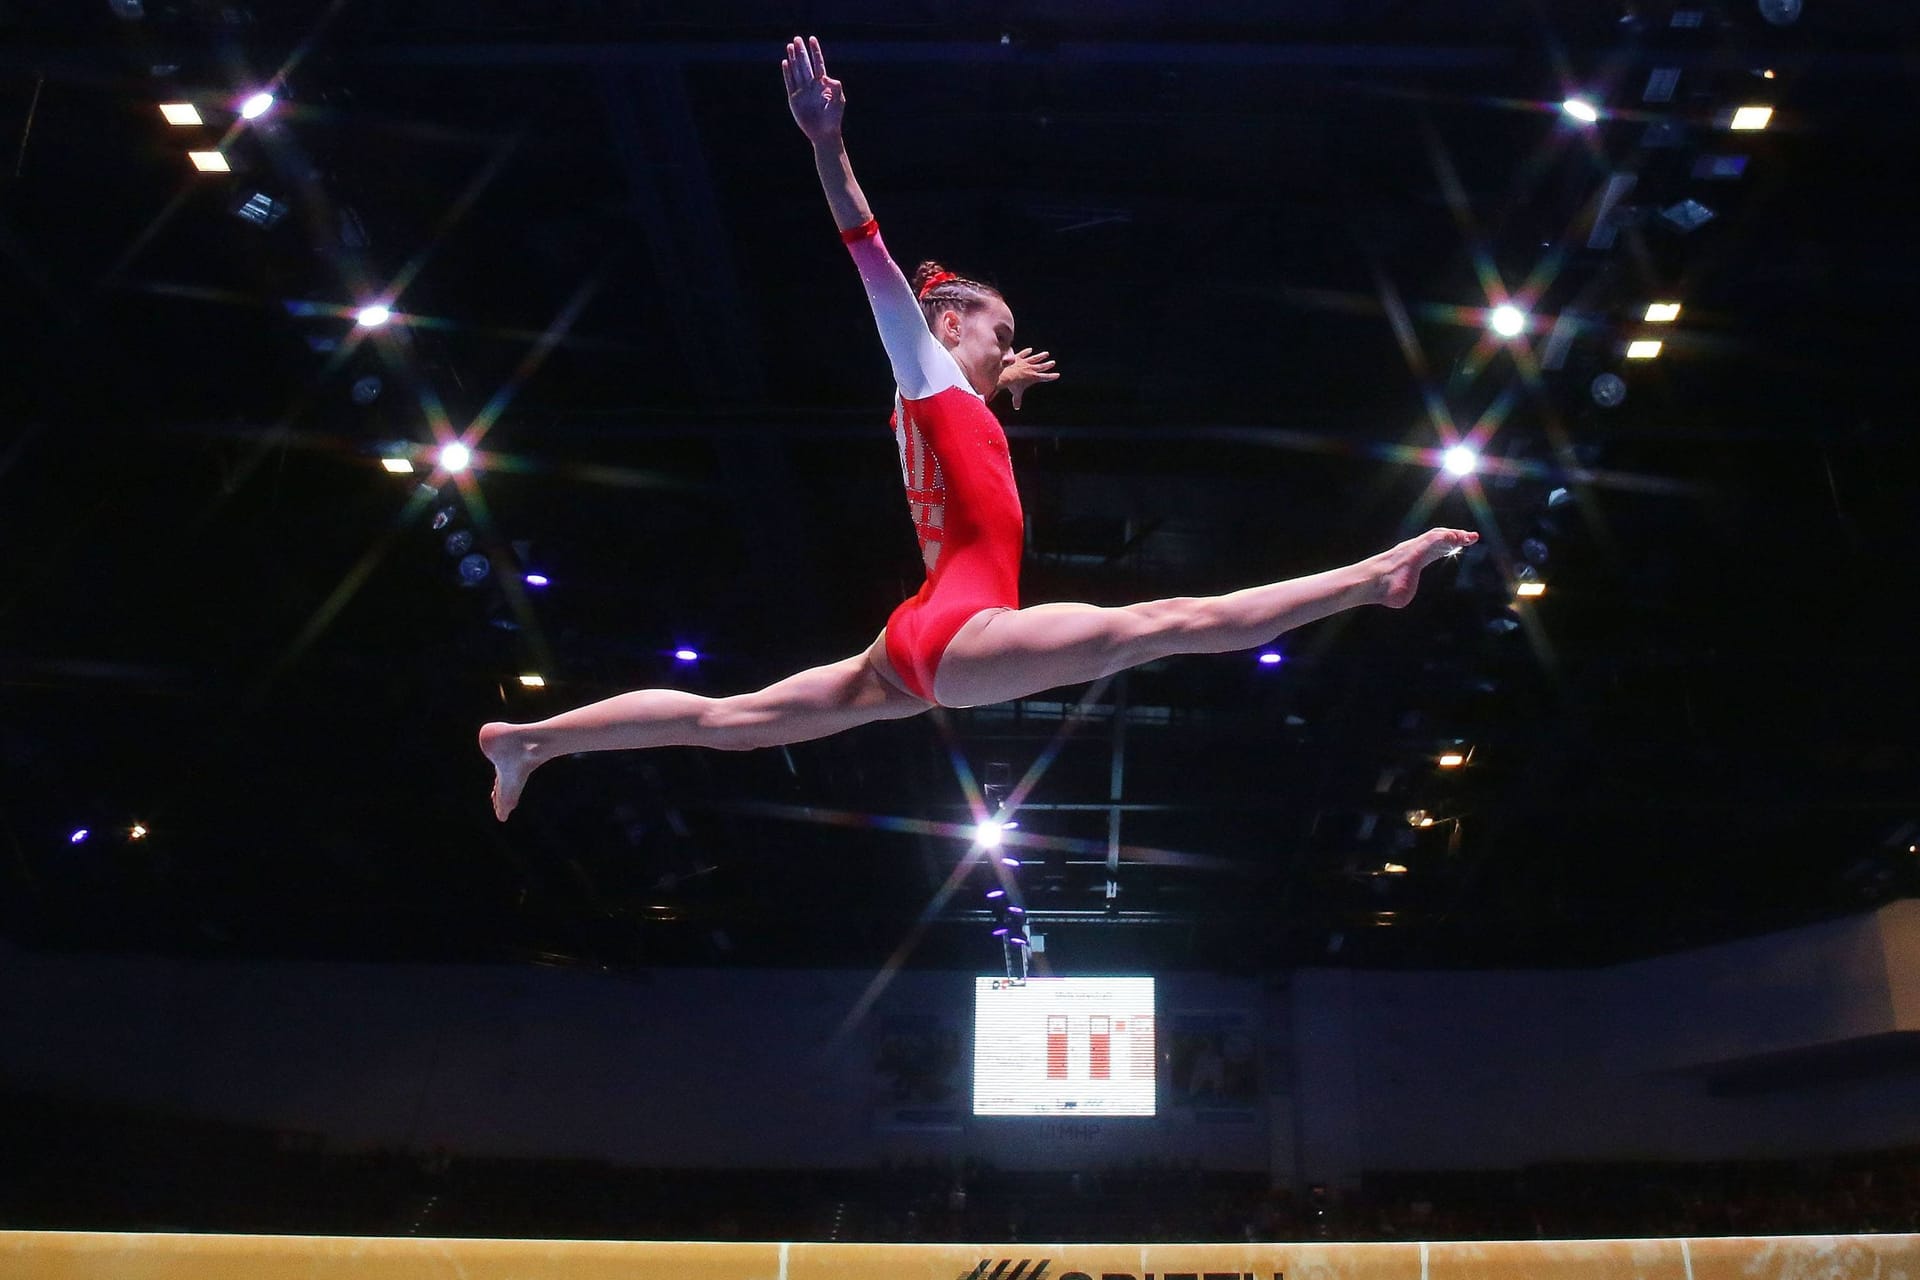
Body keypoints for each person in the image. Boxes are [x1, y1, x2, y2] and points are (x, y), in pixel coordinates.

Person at [478, 36, 1476, 820]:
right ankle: (1376, 571)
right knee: (1168, 626)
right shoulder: (918, 360)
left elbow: (958, 463)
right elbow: (866, 249)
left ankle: (535, 739)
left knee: (728, 723)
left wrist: (998, 392)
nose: (1009, 347)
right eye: (1000, 332)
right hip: (963, 628)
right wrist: (826, 143)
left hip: (918, 636)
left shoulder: (940, 403)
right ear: (948, 322)